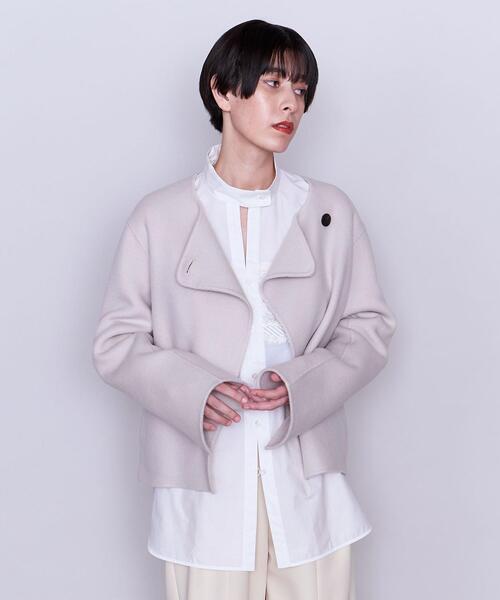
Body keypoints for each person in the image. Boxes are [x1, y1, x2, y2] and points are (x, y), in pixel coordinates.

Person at [92, 18, 397, 600]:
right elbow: (116, 342)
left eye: (300, 89)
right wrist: (193, 390)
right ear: (223, 91)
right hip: (202, 489)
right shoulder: (159, 217)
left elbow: (369, 326)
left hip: (309, 488)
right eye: (273, 83)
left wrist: (301, 383)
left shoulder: (329, 212)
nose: (291, 104)